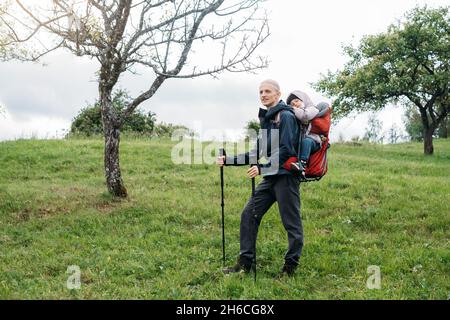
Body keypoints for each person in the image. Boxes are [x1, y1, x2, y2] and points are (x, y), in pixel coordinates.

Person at [216, 79, 303, 277]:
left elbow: (286, 150)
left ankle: (290, 268)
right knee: (249, 214)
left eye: (267, 91)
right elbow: (257, 152)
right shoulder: (268, 119)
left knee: (291, 223)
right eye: (261, 91)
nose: (263, 94)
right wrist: (228, 160)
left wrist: (262, 168)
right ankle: (246, 264)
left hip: (286, 178)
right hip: (271, 177)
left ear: (278, 94)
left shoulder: (286, 116)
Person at [285, 91, 331, 177]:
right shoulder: (296, 113)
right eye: (291, 104)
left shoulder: (312, 109)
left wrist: (291, 108)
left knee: (307, 141)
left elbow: (305, 116)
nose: (294, 104)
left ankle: (302, 165)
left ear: (303, 100)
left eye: (296, 101)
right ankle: (296, 169)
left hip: (314, 141)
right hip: (301, 142)